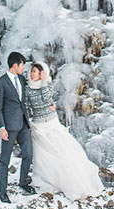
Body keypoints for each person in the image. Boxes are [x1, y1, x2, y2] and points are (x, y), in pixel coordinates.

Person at [25, 61, 104, 199]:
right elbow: (29, 104)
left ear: (42, 73)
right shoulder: (28, 88)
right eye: (31, 71)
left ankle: (70, 179)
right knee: (42, 156)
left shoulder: (47, 85)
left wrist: (44, 82)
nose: (32, 74)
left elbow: (46, 98)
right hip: (37, 125)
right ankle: (47, 179)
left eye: (36, 72)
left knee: (60, 151)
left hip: (51, 123)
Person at [0, 51, 36, 203]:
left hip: (23, 124)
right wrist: (1, 127)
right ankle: (2, 192)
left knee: (28, 155)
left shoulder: (21, 79)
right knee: (5, 159)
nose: (23, 68)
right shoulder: (1, 82)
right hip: (9, 127)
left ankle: (23, 182)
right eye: (22, 65)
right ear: (15, 65)